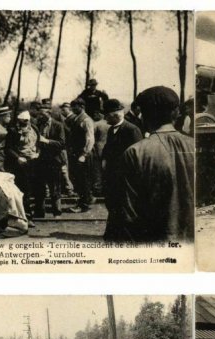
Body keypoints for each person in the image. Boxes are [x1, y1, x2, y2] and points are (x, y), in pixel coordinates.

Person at [112, 86, 195, 242]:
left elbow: (127, 215)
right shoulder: (193, 146)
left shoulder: (135, 153)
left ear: (144, 116)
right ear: (176, 113)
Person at [101, 98, 143, 240]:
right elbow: (108, 149)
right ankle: (114, 233)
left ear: (115, 114)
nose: (104, 118)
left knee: (124, 206)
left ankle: (124, 235)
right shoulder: (111, 130)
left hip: (127, 177)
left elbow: (138, 156)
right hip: (113, 176)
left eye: (106, 115)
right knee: (113, 204)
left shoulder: (132, 130)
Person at [5, 110, 40, 226]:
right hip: (20, 164)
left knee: (33, 189)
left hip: (33, 162)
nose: (24, 124)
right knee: (24, 190)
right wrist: (17, 157)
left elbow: (38, 143)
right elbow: (8, 148)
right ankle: (25, 217)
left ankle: (32, 214)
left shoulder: (34, 129)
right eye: (22, 122)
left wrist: (38, 153)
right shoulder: (13, 131)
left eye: (26, 121)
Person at [35, 101, 67, 217]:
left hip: (54, 160)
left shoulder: (58, 125)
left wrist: (47, 141)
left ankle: (57, 212)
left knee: (55, 187)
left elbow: (62, 143)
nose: (40, 116)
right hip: (41, 160)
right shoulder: (38, 125)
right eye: (39, 114)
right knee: (40, 186)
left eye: (42, 114)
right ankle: (39, 212)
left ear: (49, 113)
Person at [65, 98, 96, 213]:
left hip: (83, 154)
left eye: (75, 107)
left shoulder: (86, 120)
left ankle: (83, 205)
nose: (73, 109)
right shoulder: (76, 118)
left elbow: (90, 139)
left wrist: (84, 154)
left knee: (83, 179)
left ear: (81, 107)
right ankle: (86, 200)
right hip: (76, 153)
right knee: (78, 179)